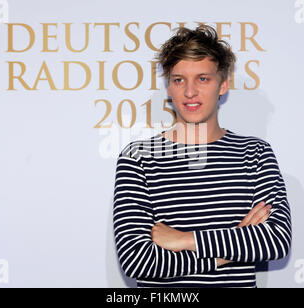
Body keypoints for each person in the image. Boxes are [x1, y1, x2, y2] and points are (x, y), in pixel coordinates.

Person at [112, 25, 291, 288]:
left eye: (203, 79)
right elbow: (138, 260)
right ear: (169, 87)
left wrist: (186, 240)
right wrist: (226, 253)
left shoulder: (255, 153)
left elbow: (275, 240)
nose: (190, 92)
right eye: (179, 79)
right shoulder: (138, 157)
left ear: (223, 84)